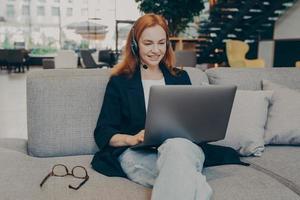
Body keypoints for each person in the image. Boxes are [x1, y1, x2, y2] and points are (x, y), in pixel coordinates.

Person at [91, 13, 247, 200]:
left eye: (161, 43)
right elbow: (103, 131)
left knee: (176, 148)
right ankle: (195, 185)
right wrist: (130, 139)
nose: (156, 50)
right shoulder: (120, 82)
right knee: (185, 176)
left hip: (182, 148)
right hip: (138, 153)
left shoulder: (180, 77)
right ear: (134, 45)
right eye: (148, 43)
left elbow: (192, 123)